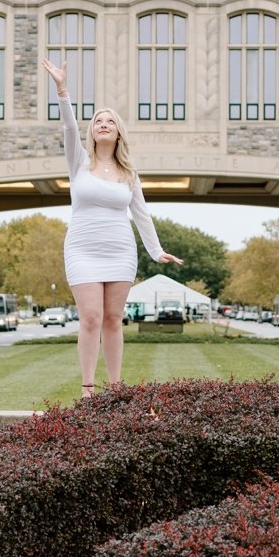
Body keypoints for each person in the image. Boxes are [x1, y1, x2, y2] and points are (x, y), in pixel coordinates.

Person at [44, 58, 181, 396]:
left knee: (112, 319)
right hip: (82, 249)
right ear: (91, 131)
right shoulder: (79, 162)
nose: (102, 124)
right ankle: (88, 388)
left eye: (109, 121)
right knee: (90, 317)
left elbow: (142, 213)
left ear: (118, 132)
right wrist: (63, 90)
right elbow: (68, 128)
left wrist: (157, 250)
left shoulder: (128, 173)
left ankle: (117, 387)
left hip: (120, 251)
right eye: (97, 121)